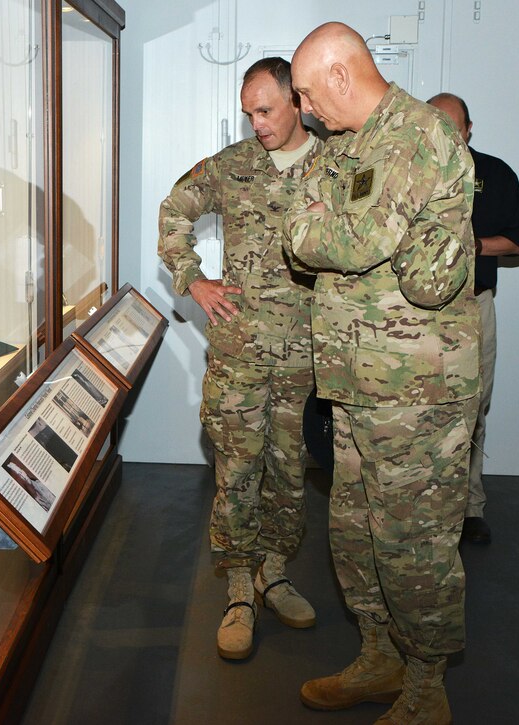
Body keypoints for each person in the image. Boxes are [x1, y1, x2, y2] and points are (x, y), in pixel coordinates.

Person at [283, 23, 480, 724]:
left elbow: (342, 237)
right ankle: (380, 654)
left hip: (415, 390)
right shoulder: (349, 147)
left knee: (414, 541)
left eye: (307, 93)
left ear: (341, 75)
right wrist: (314, 227)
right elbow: (308, 246)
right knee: (355, 529)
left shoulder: (416, 134)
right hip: (356, 382)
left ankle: (427, 685)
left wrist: (315, 224)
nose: (304, 110)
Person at [157, 57, 322, 661]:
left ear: (297, 103)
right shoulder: (231, 166)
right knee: (237, 472)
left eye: (266, 110)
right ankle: (236, 591)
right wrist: (192, 279)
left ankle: (274, 573)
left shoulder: (335, 166)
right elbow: (174, 211)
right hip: (241, 356)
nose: (256, 123)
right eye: (249, 111)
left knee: (290, 473)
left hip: (308, 357)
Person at [428, 93, 519, 546]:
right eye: (438, 125)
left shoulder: (496, 173)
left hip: (473, 306)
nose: (448, 134)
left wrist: (469, 243)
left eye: (455, 126)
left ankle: (469, 507)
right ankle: (424, 505)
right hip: (414, 315)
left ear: (469, 128)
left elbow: (514, 242)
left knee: (474, 407)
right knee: (419, 412)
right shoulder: (407, 170)